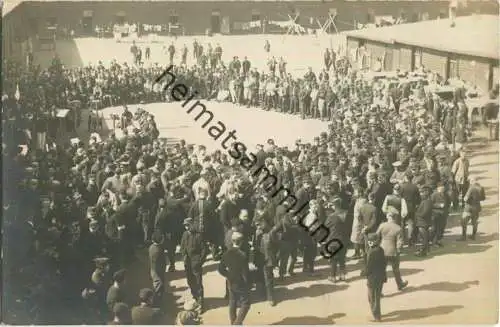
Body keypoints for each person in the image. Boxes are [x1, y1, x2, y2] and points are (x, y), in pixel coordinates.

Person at [218, 232, 251, 325]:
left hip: (230, 281)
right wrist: (248, 283)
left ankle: (233, 322)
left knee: (232, 302)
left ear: (232, 241)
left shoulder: (226, 254)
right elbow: (245, 273)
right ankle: (237, 324)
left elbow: (220, 269)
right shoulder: (242, 255)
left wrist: (228, 275)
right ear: (241, 242)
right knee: (246, 303)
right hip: (240, 282)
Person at [376, 207, 408, 291]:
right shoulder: (398, 228)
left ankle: (379, 290)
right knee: (396, 269)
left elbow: (376, 237)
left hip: (382, 251)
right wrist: (398, 251)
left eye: (387, 214)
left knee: (381, 271)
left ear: (389, 216)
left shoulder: (382, 225)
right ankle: (400, 284)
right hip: (393, 252)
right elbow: (400, 242)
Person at [180, 217, 206, 312]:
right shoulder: (184, 234)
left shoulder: (198, 236)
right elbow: (182, 246)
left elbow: (204, 250)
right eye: (185, 226)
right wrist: (184, 255)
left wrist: (200, 261)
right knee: (190, 281)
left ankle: (201, 303)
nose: (187, 227)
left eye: (188, 225)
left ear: (192, 225)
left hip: (196, 263)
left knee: (198, 283)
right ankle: (195, 297)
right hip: (187, 263)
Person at [365, 233, 387, 322]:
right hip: (380, 276)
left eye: (372, 241)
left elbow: (369, 266)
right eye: (369, 241)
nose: (370, 242)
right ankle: (377, 314)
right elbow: (384, 263)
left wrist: (363, 273)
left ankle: (376, 316)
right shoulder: (381, 249)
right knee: (376, 297)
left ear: (376, 241)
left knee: (372, 297)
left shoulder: (372, 252)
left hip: (373, 278)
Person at [459, 177, 486, 241]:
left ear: (473, 181)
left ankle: (463, 237)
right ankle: (473, 236)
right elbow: (483, 198)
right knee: (474, 222)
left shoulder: (471, 188)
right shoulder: (481, 188)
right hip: (477, 207)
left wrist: (464, 199)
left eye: (470, 181)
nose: (469, 182)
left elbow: (465, 199)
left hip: (469, 207)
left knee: (464, 221)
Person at [148, 230, 166, 306]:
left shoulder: (152, 247)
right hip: (157, 272)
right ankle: (156, 304)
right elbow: (160, 263)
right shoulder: (157, 250)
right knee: (158, 288)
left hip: (154, 270)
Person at [415, 186, 433, 257]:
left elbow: (425, 212)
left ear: (426, 193)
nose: (420, 194)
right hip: (423, 222)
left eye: (422, 192)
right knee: (424, 236)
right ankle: (427, 249)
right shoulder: (425, 201)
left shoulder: (427, 201)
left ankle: (423, 251)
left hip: (423, 222)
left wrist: (417, 214)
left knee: (424, 237)